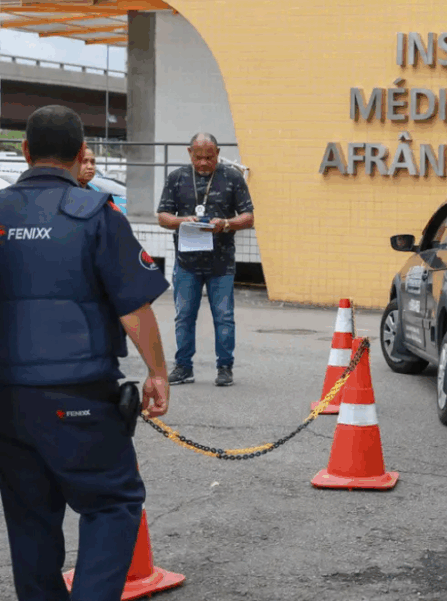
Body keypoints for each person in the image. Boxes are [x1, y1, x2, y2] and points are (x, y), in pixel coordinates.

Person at [0, 105, 171, 600]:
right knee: (113, 503)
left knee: (29, 515)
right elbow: (135, 310)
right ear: (80, 156)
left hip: (8, 402)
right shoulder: (98, 215)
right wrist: (158, 373)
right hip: (78, 394)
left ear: (25, 152)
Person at [156, 132, 255, 387]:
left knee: (223, 317)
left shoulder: (232, 177)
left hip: (221, 263)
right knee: (184, 316)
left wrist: (226, 223)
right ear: (190, 153)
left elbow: (248, 217)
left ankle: (224, 368)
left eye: (208, 158)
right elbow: (163, 216)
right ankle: (184, 367)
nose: (202, 163)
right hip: (186, 263)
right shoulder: (177, 178)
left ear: (217, 154)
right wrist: (181, 221)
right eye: (198, 157)